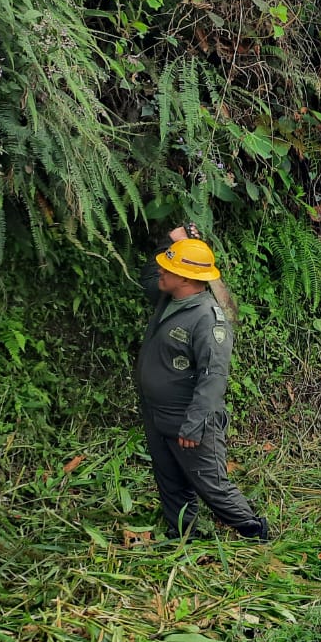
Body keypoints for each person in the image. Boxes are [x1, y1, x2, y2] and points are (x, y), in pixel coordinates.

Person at [136, 227, 269, 540]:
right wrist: (173, 241)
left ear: (184, 278)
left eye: (168, 268)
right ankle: (183, 533)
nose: (160, 272)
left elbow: (213, 377)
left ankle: (254, 530)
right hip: (158, 414)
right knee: (169, 480)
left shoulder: (208, 320)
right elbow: (146, 281)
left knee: (211, 485)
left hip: (189, 417)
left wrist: (194, 425)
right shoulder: (169, 297)